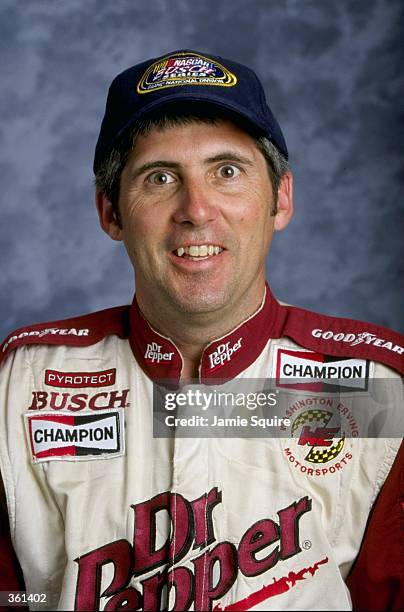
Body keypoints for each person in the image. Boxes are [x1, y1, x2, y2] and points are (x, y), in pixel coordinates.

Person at [0, 49, 402, 611]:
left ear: (280, 197)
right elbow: (12, 596)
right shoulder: (18, 383)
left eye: (227, 171)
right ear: (111, 213)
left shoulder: (381, 387)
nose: (196, 208)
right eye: (160, 177)